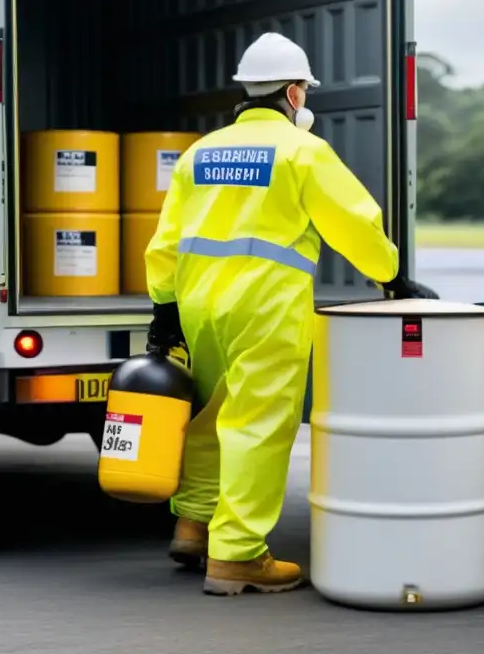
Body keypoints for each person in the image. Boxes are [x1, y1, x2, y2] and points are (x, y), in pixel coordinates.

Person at [145, 31, 437, 597]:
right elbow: (355, 222)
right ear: (295, 93)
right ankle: (238, 555)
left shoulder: (200, 152)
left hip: (201, 302)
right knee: (258, 424)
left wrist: (164, 307)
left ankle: (194, 523)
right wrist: (391, 276)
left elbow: (166, 240)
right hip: (266, 304)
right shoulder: (304, 151)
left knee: (209, 413)